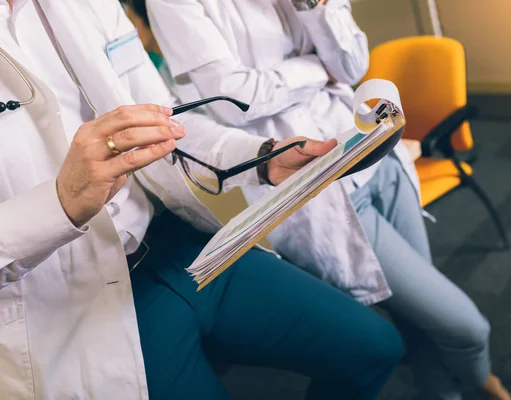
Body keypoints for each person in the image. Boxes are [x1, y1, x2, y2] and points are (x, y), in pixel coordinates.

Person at [0, 0, 405, 398]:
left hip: (175, 247)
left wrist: (263, 157)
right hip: (67, 297)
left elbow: (170, 123)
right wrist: (62, 203)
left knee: (372, 347)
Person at [142, 0, 511, 399]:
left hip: (378, 156)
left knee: (420, 318)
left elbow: (352, 66)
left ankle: (442, 393)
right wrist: (317, 67)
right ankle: (482, 379)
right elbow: (235, 102)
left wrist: (313, 9)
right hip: (322, 189)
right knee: (466, 327)